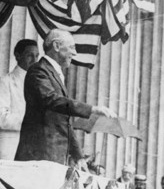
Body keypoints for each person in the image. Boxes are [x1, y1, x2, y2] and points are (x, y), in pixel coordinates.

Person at [15, 29, 116, 168]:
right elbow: (52, 100)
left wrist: (78, 156)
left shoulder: (54, 74)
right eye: (72, 47)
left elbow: (63, 121)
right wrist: (92, 109)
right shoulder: (38, 70)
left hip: (50, 157)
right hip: (38, 156)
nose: (74, 53)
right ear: (56, 46)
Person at [0, 39, 39, 160]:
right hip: (11, 148)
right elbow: (0, 118)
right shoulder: (5, 81)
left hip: (34, 148)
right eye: (30, 55)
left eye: (37, 56)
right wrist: (32, 123)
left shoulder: (39, 83)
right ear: (18, 56)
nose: (34, 60)